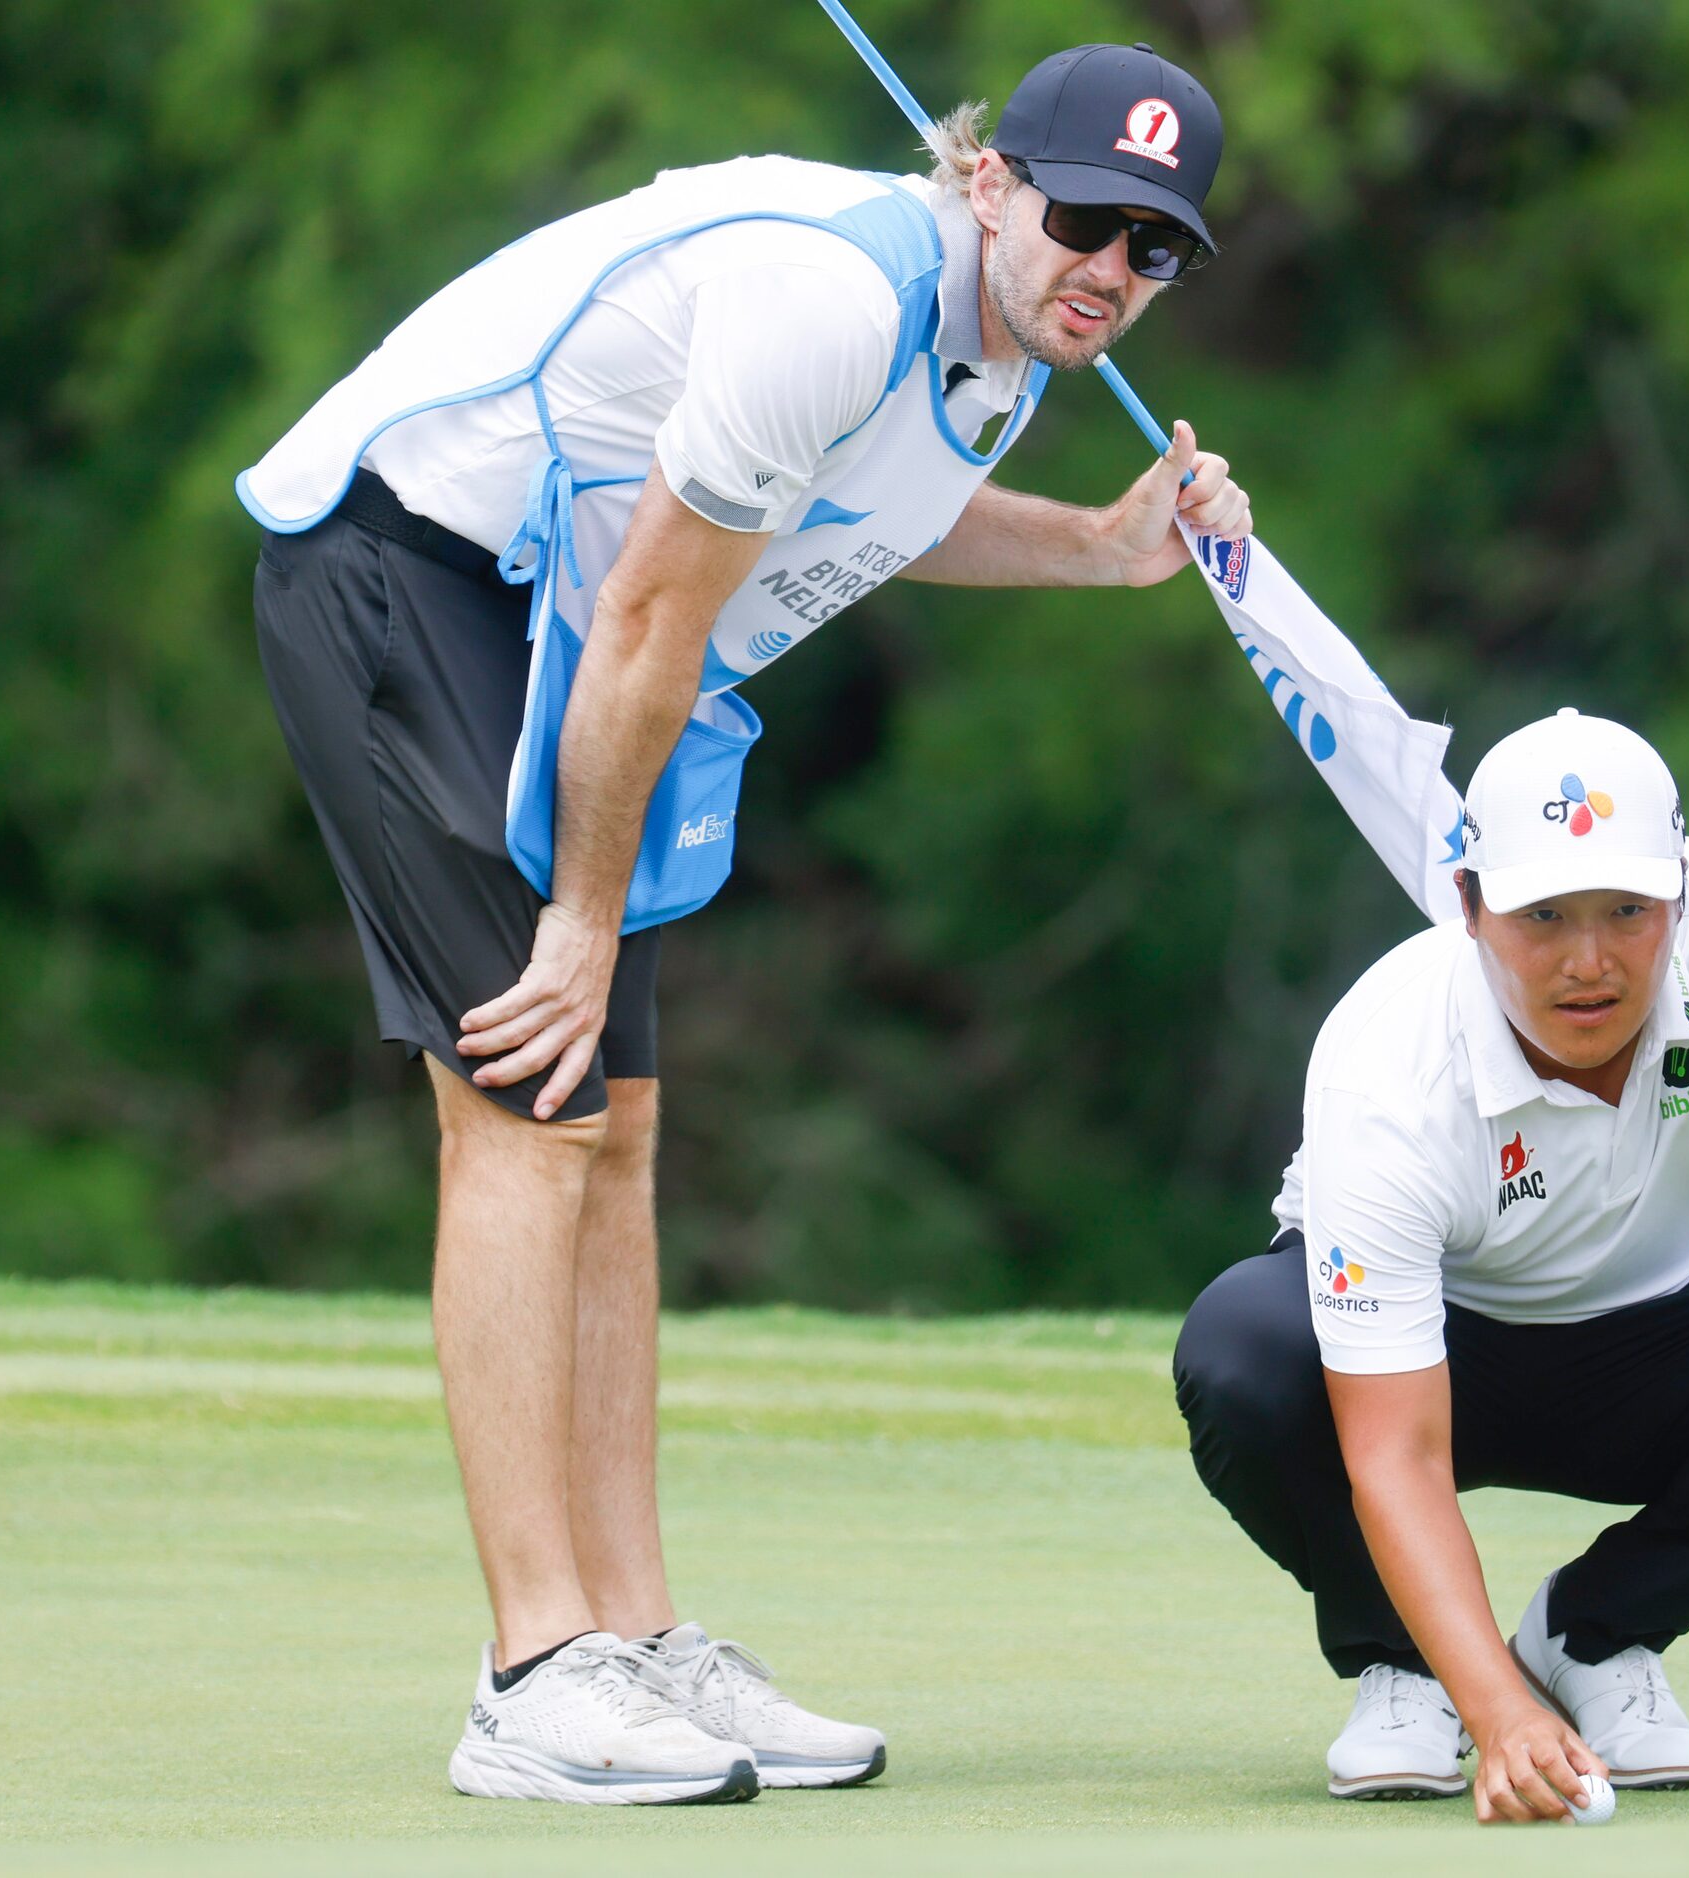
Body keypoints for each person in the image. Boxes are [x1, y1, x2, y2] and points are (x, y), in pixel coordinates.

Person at [236, 44, 1251, 1805]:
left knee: (615, 1127)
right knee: (523, 1108)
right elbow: (649, 617)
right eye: (1087, 216)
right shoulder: (831, 297)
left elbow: (869, 516)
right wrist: (578, 911)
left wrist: (1101, 544)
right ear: (996, 181)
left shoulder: (1000, 348)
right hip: (405, 563)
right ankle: (535, 1673)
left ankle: (632, 1637)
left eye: (1153, 249)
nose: (1110, 269)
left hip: (541, 601)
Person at [1172, 709, 1689, 1822]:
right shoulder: (1383, 1062)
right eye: (1542, 915)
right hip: (1431, 1346)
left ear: (1678, 899)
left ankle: (1588, 1634)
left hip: (1660, 1337)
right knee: (1242, 1353)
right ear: (1469, 906)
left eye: (1626, 914)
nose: (1588, 961)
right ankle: (1408, 1669)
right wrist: (1497, 1718)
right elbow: (1395, 1452)